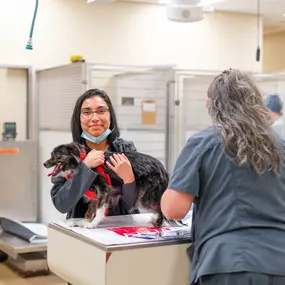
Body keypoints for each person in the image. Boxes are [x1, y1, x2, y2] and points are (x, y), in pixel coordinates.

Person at [161, 69, 285, 285]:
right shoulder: (280, 145)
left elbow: (174, 209)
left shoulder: (203, 143)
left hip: (229, 263)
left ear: (213, 105)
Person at [50, 88, 139, 222]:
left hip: (121, 231)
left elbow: (131, 205)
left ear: (110, 115)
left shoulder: (125, 149)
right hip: (83, 232)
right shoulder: (68, 155)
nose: (95, 118)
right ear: (78, 118)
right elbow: (62, 204)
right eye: (87, 112)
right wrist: (84, 167)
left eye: (101, 111)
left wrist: (129, 179)